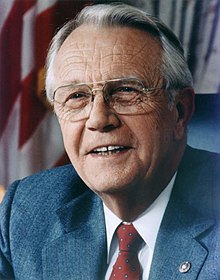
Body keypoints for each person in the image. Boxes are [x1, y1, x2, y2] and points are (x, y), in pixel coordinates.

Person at [0, 3, 220, 280]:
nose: (99, 119)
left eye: (126, 91)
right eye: (77, 96)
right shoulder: (29, 211)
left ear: (179, 111)